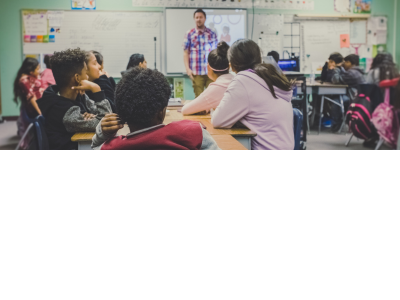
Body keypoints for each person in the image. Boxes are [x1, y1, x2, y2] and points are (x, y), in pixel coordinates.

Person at [91, 67, 220, 150]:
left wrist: (102, 134)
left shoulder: (112, 148)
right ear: (162, 111)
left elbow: (95, 147)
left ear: (122, 114)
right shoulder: (193, 132)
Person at [211, 39, 295, 150]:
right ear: (259, 59)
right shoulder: (270, 76)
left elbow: (217, 120)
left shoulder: (242, 81)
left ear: (231, 65)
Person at [37, 48, 112, 150]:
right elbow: (107, 122)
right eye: (86, 73)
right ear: (77, 78)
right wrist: (96, 89)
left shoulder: (78, 94)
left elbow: (101, 117)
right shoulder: (65, 112)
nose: (87, 76)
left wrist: (92, 117)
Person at [182, 41, 234, 115]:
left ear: (208, 67)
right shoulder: (237, 80)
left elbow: (185, 110)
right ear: (229, 66)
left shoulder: (215, 88)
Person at [183, 9, 218, 98]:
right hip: (196, 72)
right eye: (197, 17)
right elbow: (186, 52)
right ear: (194, 19)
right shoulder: (189, 34)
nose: (199, 19)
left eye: (201, 17)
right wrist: (187, 69)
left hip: (211, 71)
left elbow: (216, 52)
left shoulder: (212, 34)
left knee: (213, 96)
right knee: (199, 98)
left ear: (205, 19)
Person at [331, 54, 366, 131]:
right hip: (359, 97)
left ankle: (336, 125)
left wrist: (337, 68)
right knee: (337, 98)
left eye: (345, 62)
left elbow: (335, 80)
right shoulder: (357, 71)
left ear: (350, 62)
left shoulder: (352, 73)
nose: (344, 64)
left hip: (355, 98)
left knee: (336, 101)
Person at [13, 57, 44, 136]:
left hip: (41, 105)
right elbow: (32, 98)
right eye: (37, 69)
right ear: (30, 71)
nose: (39, 71)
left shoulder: (35, 76)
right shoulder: (24, 80)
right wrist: (41, 113)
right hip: (34, 110)